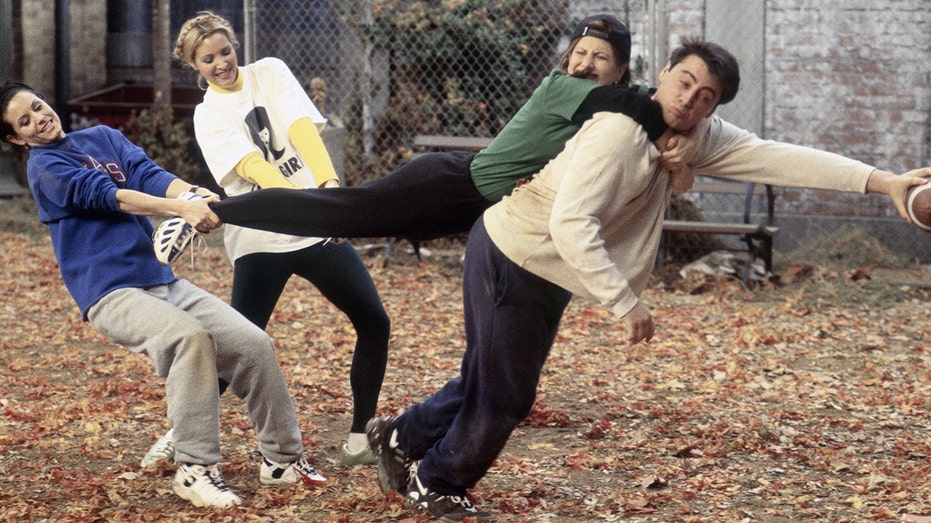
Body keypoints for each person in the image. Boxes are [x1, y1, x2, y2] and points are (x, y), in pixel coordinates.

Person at [362, 38, 931, 521]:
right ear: (663, 73)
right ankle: (437, 480)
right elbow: (571, 223)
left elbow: (777, 157)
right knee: (507, 392)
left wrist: (886, 184)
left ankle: (401, 438)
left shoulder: (695, 135)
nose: (689, 99)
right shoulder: (620, 132)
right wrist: (623, 300)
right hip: (516, 252)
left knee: (489, 374)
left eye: (704, 96)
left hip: (539, 262)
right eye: (683, 82)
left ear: (712, 107)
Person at [0, 80, 327, 509]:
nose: (40, 119)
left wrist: (191, 194)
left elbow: (148, 176)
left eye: (39, 106)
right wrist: (181, 209)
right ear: (15, 138)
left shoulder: (102, 138)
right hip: (110, 292)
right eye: (26, 121)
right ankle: (195, 469)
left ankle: (282, 460)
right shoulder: (44, 168)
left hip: (161, 280)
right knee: (188, 339)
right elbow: (111, 197)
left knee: (253, 344)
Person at [192, 14, 695, 241]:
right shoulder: (565, 89)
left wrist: (673, 149)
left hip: (472, 209)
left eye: (600, 57)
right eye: (579, 53)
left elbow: (639, 117)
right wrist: (672, 125)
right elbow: (645, 108)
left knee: (341, 218)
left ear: (621, 68)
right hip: (450, 185)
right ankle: (214, 209)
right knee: (339, 213)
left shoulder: (609, 115)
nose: (584, 63)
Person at [170, 11, 391, 467]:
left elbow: (302, 131)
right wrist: (310, 207)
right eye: (207, 58)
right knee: (238, 348)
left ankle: (358, 440)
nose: (221, 63)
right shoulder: (208, 115)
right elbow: (254, 169)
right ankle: (180, 435)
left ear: (235, 46)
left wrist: (328, 189)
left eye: (225, 51)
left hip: (312, 227)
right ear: (194, 64)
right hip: (261, 236)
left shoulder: (269, 71)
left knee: (374, 321)